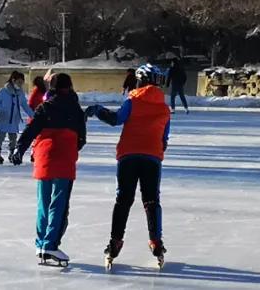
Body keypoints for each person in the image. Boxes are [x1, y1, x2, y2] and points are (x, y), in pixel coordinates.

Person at [85, 63, 172, 270]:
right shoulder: (164, 108)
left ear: (140, 80)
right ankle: (156, 242)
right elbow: (164, 139)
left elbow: (116, 119)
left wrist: (97, 110)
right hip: (152, 158)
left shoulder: (132, 100)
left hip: (128, 157)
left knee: (123, 200)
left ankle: (115, 242)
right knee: (151, 201)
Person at [11, 73, 86, 266]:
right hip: (64, 160)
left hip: (44, 159)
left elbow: (31, 130)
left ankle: (41, 244)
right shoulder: (75, 109)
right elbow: (82, 139)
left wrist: (19, 149)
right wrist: (71, 149)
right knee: (59, 204)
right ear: (69, 87)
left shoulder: (45, 107)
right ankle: (51, 244)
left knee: (43, 204)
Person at [0, 70, 32, 164]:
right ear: (13, 81)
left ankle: (11, 153)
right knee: (0, 137)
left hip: (13, 119)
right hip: (3, 118)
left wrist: (33, 115)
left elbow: (25, 106)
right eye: (19, 82)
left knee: (13, 138)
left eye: (22, 83)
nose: (21, 84)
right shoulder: (3, 91)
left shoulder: (20, 94)